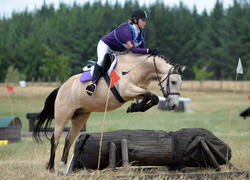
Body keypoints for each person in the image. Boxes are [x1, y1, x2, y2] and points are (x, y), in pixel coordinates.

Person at [85, 9, 159, 96]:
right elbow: (134, 50)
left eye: (145, 20)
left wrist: (149, 54)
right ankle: (93, 84)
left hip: (118, 51)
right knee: (101, 60)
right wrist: (149, 50)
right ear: (135, 20)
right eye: (143, 20)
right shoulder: (125, 30)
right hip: (106, 45)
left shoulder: (141, 33)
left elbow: (141, 51)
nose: (145, 22)